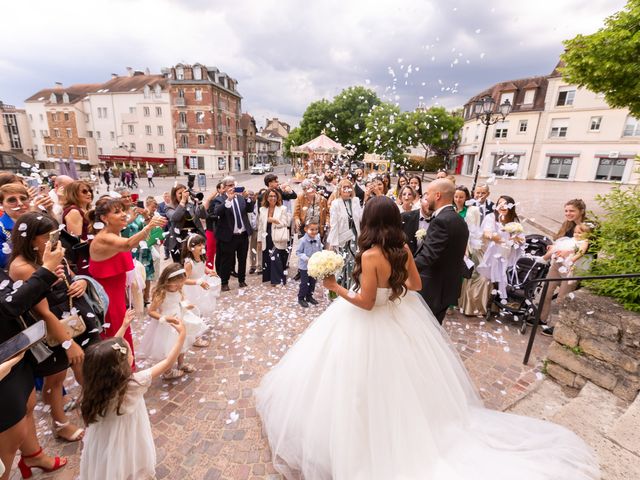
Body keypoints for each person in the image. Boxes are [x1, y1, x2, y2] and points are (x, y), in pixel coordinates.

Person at [256, 194, 598, 480]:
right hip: (398, 317)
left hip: (369, 321)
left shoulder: (371, 254)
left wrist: (334, 287)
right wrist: (393, 290)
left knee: (356, 382)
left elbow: (363, 303)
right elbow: (416, 285)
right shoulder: (402, 248)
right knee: (404, 384)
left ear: (369, 222)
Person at [9, 212, 103, 444]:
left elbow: (71, 276)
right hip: (51, 328)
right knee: (56, 378)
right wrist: (68, 344)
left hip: (73, 317)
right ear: (31, 239)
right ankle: (59, 423)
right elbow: (42, 311)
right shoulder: (22, 266)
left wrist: (81, 282)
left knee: (84, 366)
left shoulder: (52, 253)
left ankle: (91, 403)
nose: (55, 239)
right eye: (48, 236)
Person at [79, 313, 186, 480]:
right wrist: (181, 336)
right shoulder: (133, 383)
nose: (132, 355)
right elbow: (167, 362)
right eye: (128, 353)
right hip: (129, 434)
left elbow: (105, 357)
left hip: (103, 438)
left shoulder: (95, 384)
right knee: (129, 458)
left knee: (110, 463)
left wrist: (123, 326)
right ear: (120, 366)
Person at [0, 241, 67, 480]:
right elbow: (6, 307)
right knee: (9, 434)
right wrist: (45, 272)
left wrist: (51, 279)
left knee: (27, 407)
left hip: (14, 350)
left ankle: (33, 456)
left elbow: (13, 293)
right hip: (1, 366)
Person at [88, 197, 166, 361]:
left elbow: (130, 230)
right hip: (107, 297)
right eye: (117, 212)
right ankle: (116, 370)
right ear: (104, 218)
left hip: (117, 293)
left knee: (122, 326)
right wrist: (150, 225)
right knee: (115, 329)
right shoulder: (103, 237)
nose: (124, 214)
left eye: (123, 210)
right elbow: (127, 244)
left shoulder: (114, 232)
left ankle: (125, 365)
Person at [414, 179, 469, 324]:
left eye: (428, 194)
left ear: (437, 195)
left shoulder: (441, 221)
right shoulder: (458, 219)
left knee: (424, 332)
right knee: (434, 331)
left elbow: (428, 256)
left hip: (434, 289)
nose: (427, 198)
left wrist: (402, 269)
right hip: (448, 288)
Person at [139, 264, 205, 380]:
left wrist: (186, 306)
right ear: (167, 280)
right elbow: (151, 311)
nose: (179, 285)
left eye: (181, 282)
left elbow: (179, 302)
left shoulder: (178, 289)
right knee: (169, 347)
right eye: (176, 283)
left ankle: (181, 364)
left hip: (179, 320)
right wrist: (165, 318)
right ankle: (167, 371)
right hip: (167, 325)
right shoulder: (161, 293)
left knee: (182, 344)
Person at [477, 195, 525, 301]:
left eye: (505, 204)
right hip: (492, 252)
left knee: (503, 276)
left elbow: (521, 239)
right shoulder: (491, 217)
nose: (502, 207)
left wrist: (515, 239)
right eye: (500, 204)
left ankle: (498, 303)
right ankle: (487, 303)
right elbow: (487, 234)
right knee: (490, 278)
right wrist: (505, 240)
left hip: (507, 253)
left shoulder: (514, 220)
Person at [214, 177, 254, 291]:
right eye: (229, 185)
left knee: (242, 258)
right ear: (224, 187)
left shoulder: (241, 198)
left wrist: (249, 198)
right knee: (226, 260)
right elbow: (217, 212)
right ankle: (224, 282)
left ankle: (242, 280)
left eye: (233, 185)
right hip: (228, 236)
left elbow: (249, 209)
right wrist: (228, 200)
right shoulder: (220, 199)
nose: (232, 187)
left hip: (243, 234)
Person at [326, 179, 363, 290]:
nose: (347, 189)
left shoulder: (356, 201)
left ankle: (352, 288)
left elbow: (360, 219)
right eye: (344, 187)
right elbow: (334, 224)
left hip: (355, 238)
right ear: (340, 190)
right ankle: (341, 289)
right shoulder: (335, 203)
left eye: (349, 187)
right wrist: (332, 244)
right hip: (343, 239)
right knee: (343, 265)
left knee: (354, 264)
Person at [181, 233, 220, 319]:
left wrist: (209, 271)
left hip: (202, 285)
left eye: (203, 244)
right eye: (199, 245)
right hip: (193, 288)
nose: (202, 247)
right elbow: (184, 280)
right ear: (191, 248)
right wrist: (198, 282)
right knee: (195, 306)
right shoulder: (189, 263)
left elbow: (203, 267)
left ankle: (201, 318)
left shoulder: (201, 257)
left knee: (202, 304)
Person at [165, 184, 206, 262]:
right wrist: (183, 202)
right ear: (174, 195)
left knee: (195, 262)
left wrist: (199, 203)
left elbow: (203, 215)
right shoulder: (169, 207)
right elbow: (175, 217)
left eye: (185, 192)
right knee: (180, 265)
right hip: (178, 240)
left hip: (194, 238)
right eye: (180, 193)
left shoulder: (190, 205)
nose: (183, 195)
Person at [258, 188, 289, 287]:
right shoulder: (262, 209)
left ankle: (278, 280)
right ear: (266, 197)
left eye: (274, 196)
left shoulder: (282, 208)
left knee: (277, 258)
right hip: (266, 236)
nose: (273, 198)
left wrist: (275, 221)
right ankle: (269, 277)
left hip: (277, 236)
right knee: (267, 257)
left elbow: (285, 223)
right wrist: (259, 240)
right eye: (270, 196)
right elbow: (260, 226)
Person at [0, 184, 31, 268]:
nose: (20, 204)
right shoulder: (1, 227)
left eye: (23, 198)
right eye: (12, 200)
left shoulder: (37, 220)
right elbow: (2, 261)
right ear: (1, 205)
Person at [296, 221, 323, 308]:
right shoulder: (303, 241)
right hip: (305, 266)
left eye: (316, 229)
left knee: (312, 282)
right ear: (306, 229)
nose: (314, 231)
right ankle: (301, 298)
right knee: (304, 283)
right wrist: (306, 258)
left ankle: (309, 296)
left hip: (314, 266)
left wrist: (321, 257)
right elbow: (298, 252)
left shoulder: (318, 239)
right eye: (312, 229)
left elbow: (320, 249)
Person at [401, 191, 432, 256]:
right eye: (426, 200)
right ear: (420, 201)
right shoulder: (405, 217)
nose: (429, 203)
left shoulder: (438, 220)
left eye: (432, 201)